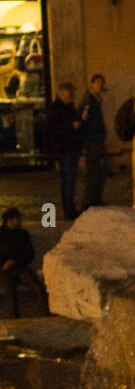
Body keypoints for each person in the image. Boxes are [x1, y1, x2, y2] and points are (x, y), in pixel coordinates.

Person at [0, 207, 48, 319]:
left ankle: (45, 314)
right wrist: (4, 264)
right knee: (9, 290)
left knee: (38, 287)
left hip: (20, 267)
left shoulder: (23, 234)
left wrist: (15, 261)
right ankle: (14, 317)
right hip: (3, 269)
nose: (20, 221)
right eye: (18, 219)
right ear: (9, 221)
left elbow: (29, 253)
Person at [45, 82, 82, 220]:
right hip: (64, 150)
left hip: (71, 149)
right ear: (61, 93)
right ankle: (69, 210)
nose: (72, 94)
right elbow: (54, 131)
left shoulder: (69, 107)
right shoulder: (56, 109)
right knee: (68, 180)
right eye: (69, 91)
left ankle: (70, 207)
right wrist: (72, 126)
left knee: (71, 180)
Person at [79, 74, 108, 208]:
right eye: (98, 82)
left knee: (98, 169)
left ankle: (95, 198)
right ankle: (90, 199)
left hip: (96, 138)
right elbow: (84, 118)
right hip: (92, 139)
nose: (100, 85)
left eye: (102, 83)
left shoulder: (96, 99)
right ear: (92, 84)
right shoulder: (89, 99)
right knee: (93, 169)